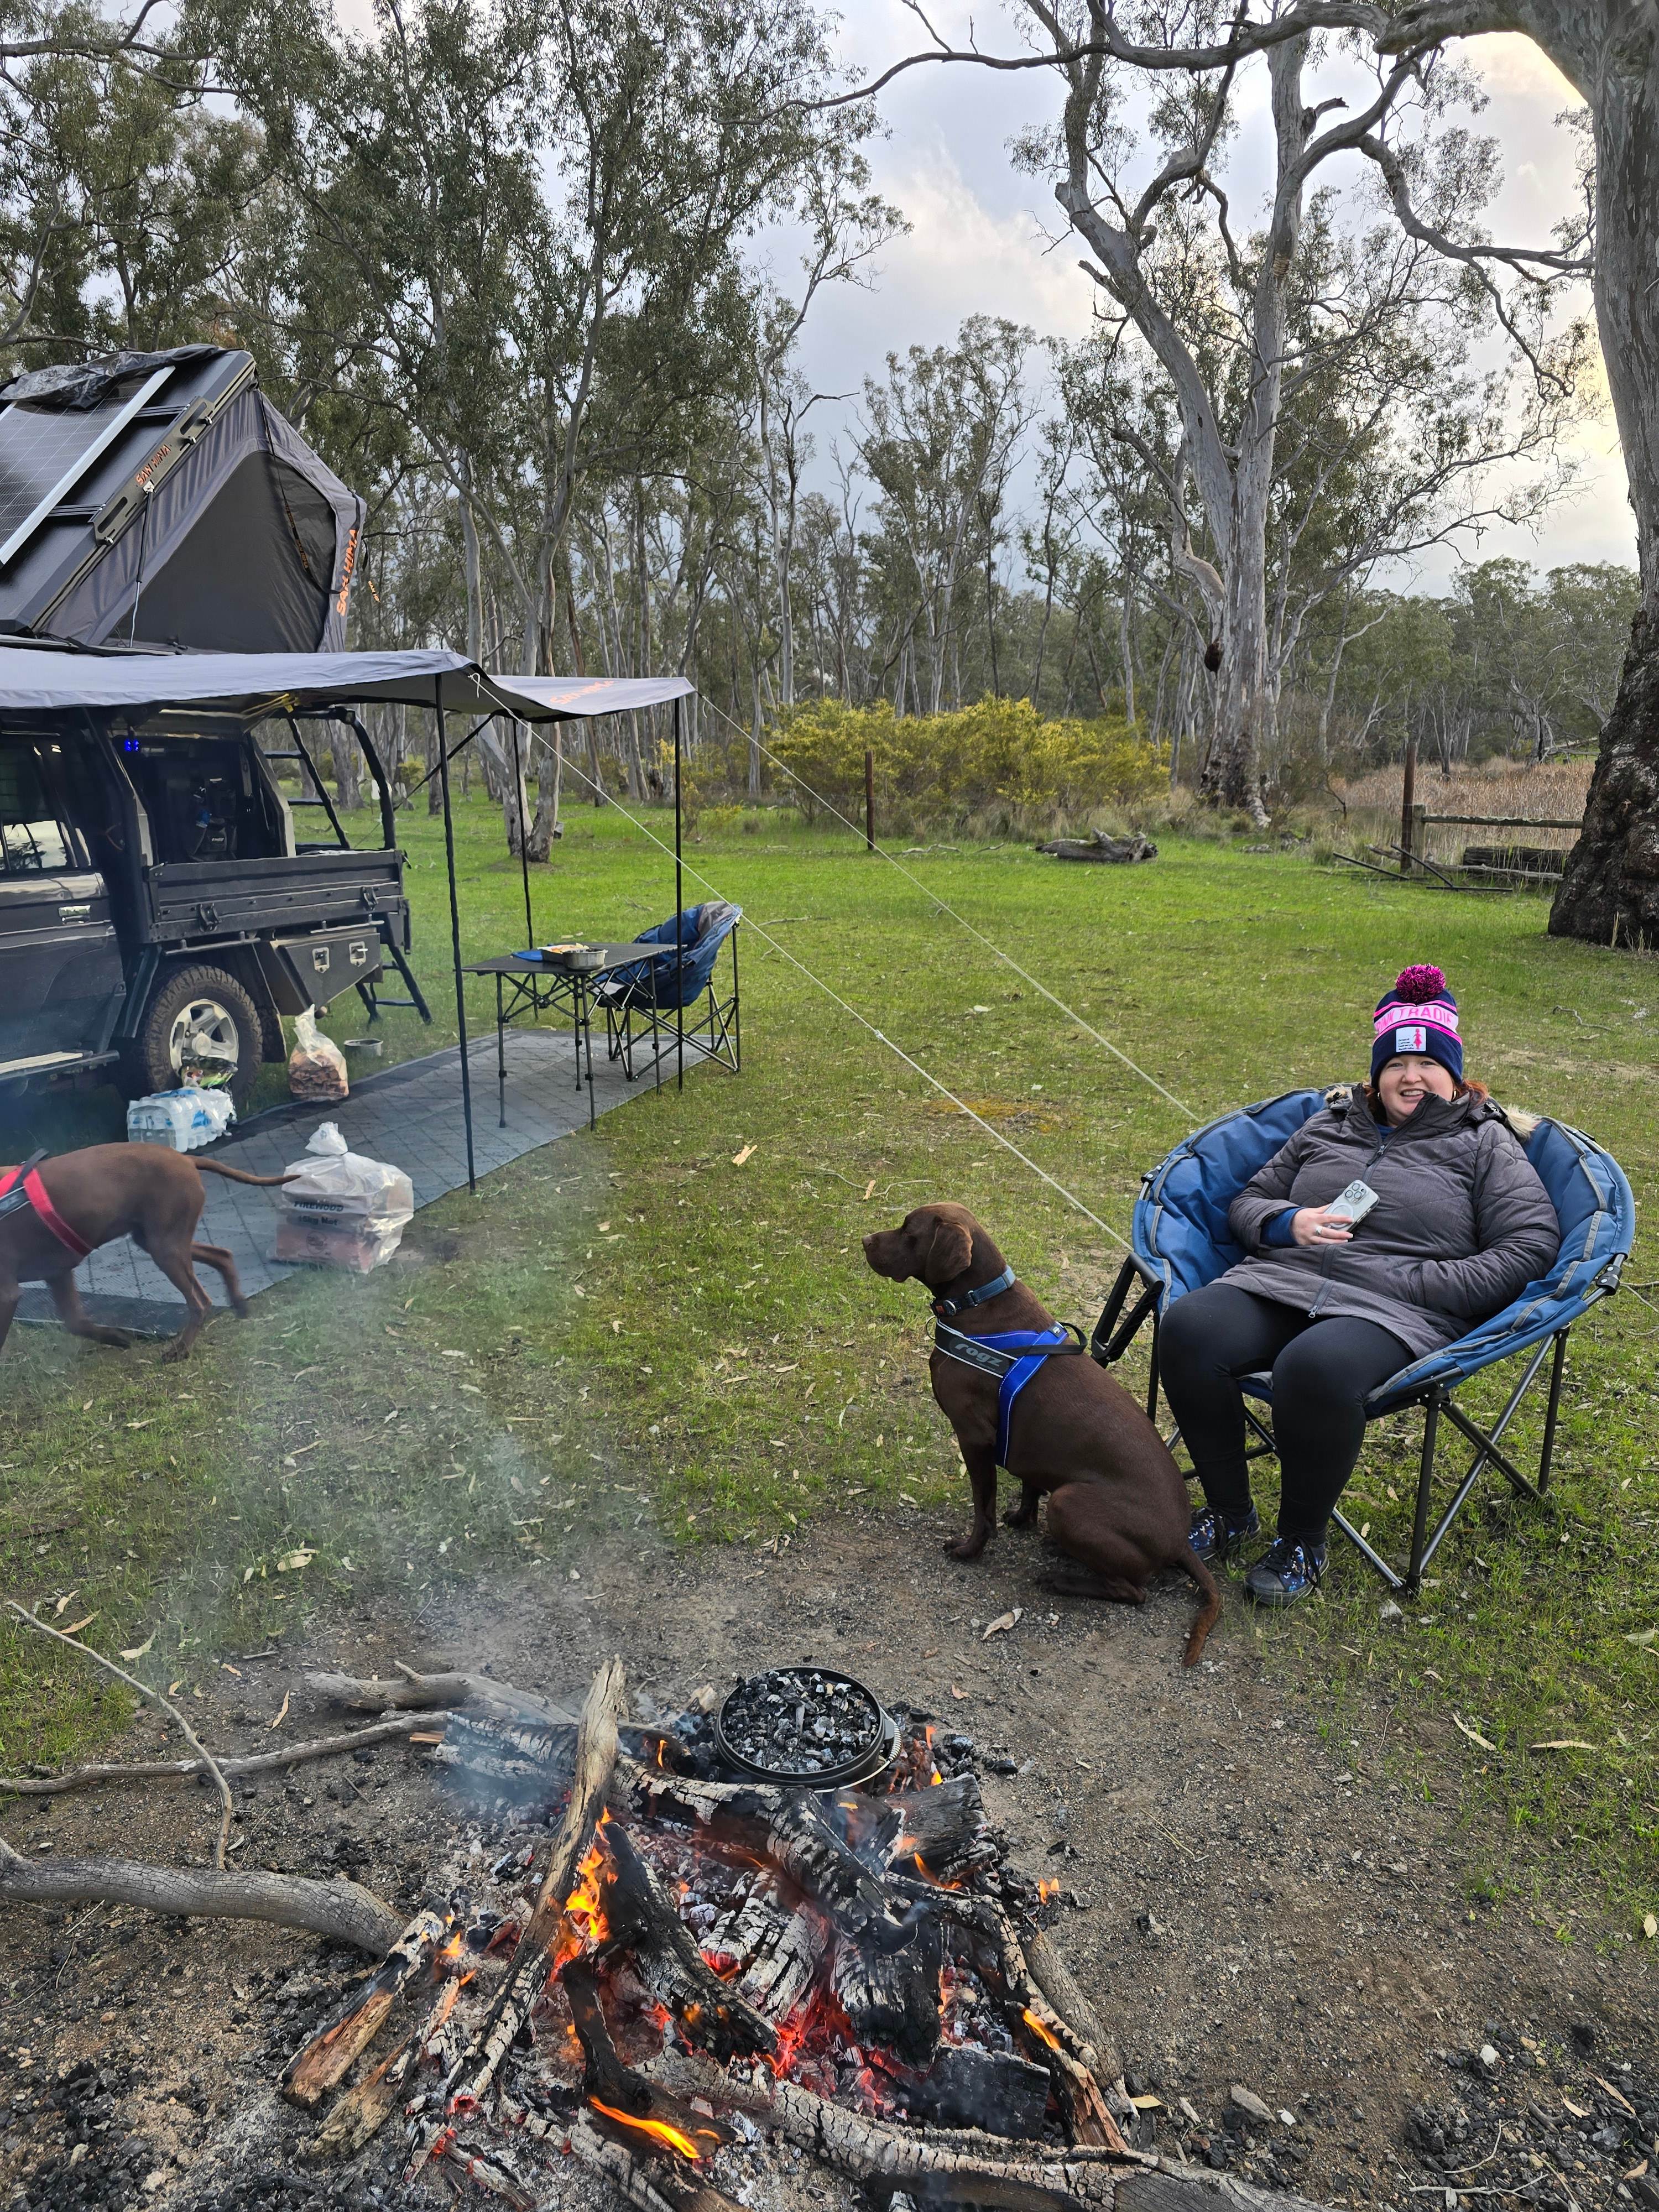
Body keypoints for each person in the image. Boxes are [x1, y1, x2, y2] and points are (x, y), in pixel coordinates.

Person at [1157, 964, 1561, 1607]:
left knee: (1312, 1368)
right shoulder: (1328, 1125)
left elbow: (1530, 1245)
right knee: (1188, 1329)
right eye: (1396, 1063)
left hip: (1394, 1311)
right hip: (1284, 1279)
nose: (1411, 1077)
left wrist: (1423, 1281)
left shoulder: (1486, 1143)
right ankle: (1230, 1511)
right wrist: (1291, 1223)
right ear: (1376, 1072)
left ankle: (1302, 1542)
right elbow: (1248, 1201)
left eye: (1429, 1063)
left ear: (1454, 1074)